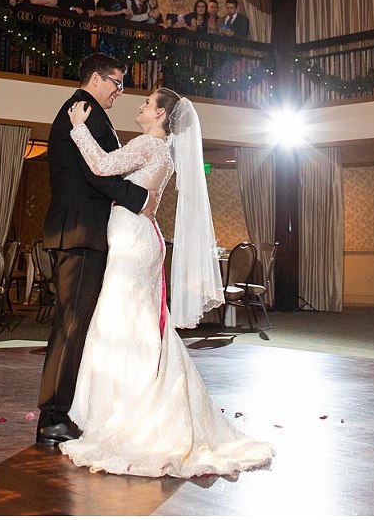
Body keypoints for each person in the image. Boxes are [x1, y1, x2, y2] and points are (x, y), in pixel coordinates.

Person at [54, 80, 273, 477]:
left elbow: (102, 167)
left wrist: (77, 129)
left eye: (147, 103)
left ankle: (130, 410)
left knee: (121, 323)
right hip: (141, 239)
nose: (139, 105)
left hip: (134, 243)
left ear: (159, 114)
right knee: (136, 325)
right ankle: (140, 400)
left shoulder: (149, 145)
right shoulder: (162, 151)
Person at [37, 54, 160, 448]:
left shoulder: (88, 112)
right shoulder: (84, 110)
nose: (119, 93)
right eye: (116, 83)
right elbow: (96, 172)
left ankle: (62, 413)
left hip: (83, 231)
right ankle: (52, 419)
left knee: (75, 326)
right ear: (96, 78)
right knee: (71, 327)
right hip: (81, 232)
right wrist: (139, 198)